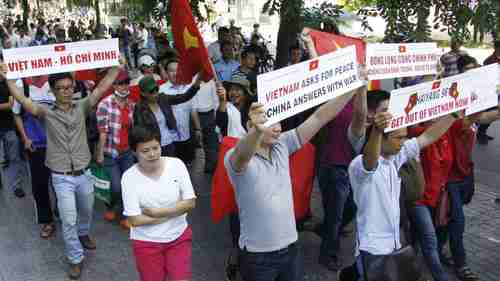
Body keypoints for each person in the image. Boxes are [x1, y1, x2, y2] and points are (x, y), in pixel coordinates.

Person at [224, 82, 364, 281]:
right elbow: (242, 155)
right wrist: (256, 130)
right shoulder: (235, 155)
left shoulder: (282, 145)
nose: (276, 128)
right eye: (269, 122)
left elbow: (319, 117)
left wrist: (355, 85)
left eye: (278, 122)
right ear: (249, 125)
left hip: (291, 250)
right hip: (257, 256)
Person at [1, 58, 125, 279]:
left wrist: (116, 67)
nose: (66, 92)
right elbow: (22, 100)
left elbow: (103, 87)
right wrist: (8, 79)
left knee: (86, 211)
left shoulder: (82, 106)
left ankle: (84, 233)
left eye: (68, 87)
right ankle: (75, 258)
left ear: (73, 87)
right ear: (52, 91)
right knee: (68, 219)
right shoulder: (46, 112)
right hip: (61, 178)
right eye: (60, 89)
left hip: (84, 174)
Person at [348, 94, 457, 281]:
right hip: (371, 249)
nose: (403, 143)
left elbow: (428, 136)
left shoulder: (395, 159)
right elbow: (370, 161)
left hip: (394, 243)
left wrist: (454, 114)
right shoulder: (359, 165)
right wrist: (377, 130)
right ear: (382, 139)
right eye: (399, 138)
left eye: (405, 137)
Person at [122, 126, 196, 281]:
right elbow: (135, 220)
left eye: (155, 148)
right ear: (135, 152)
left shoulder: (176, 165)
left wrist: (158, 213)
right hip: (146, 242)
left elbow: (190, 203)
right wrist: (174, 212)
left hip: (178, 237)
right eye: (145, 151)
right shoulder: (129, 178)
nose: (152, 154)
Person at [12, 75, 56, 237]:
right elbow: (16, 113)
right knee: (39, 185)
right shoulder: (21, 84)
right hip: (36, 145)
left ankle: (62, 212)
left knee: (61, 181)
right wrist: (25, 137)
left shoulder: (54, 80)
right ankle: (46, 221)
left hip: (57, 143)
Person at [96, 70, 135, 230]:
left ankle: (127, 215)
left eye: (126, 82)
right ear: (114, 85)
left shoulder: (131, 104)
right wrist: (99, 153)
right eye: (120, 82)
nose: (124, 85)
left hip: (127, 152)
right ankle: (113, 206)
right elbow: (102, 131)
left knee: (129, 185)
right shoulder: (105, 104)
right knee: (116, 186)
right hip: (110, 153)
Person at [133, 74, 201, 157]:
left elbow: (184, 97)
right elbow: (139, 131)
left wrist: (198, 81)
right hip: (154, 146)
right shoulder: (140, 108)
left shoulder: (163, 98)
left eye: (156, 89)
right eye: (151, 91)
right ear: (143, 93)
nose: (155, 93)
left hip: (170, 142)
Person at [160, 60, 202, 165]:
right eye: (171, 71)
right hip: (169, 139)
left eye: (178, 70)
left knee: (187, 165)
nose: (175, 73)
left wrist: (198, 129)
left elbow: (193, 110)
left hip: (186, 136)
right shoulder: (161, 90)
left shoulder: (188, 88)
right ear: (166, 73)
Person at [0, 57, 25, 198]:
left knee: (15, 157)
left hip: (9, 126)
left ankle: (17, 185)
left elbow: (11, 103)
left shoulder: (10, 82)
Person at [477, 40, 500, 144]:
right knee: (489, 114)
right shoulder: (489, 61)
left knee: (492, 115)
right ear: (496, 48)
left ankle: (482, 132)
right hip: (491, 92)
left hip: (498, 91)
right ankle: (479, 133)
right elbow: (486, 77)